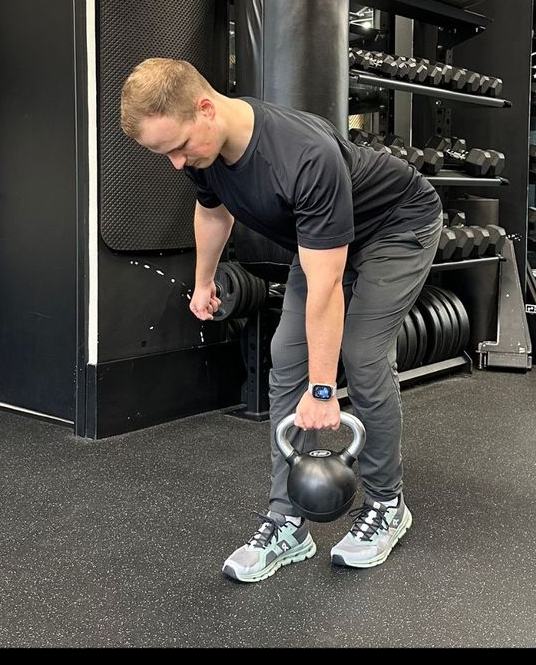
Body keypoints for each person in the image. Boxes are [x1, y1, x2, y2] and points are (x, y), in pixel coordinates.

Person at [120, 58, 442, 580]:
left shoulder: (300, 155)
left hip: (396, 226)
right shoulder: (206, 152)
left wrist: (322, 392)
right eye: (165, 154)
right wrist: (203, 281)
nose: (177, 163)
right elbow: (212, 210)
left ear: (205, 109)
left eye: (178, 147)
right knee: (285, 355)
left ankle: (387, 504)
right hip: (322, 241)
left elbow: (327, 286)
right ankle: (287, 519)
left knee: (361, 355)